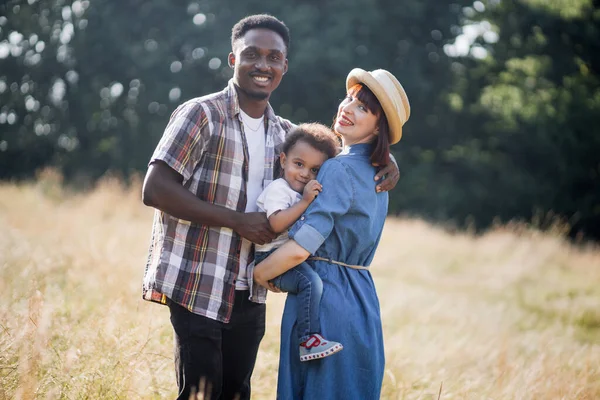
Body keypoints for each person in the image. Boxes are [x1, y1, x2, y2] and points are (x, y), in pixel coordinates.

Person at [140, 14, 400, 400]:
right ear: (233, 60)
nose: (263, 65)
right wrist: (237, 221)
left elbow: (343, 156)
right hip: (199, 280)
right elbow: (155, 189)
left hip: (250, 290)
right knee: (200, 392)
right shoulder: (201, 114)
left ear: (284, 66)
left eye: (273, 57)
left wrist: (387, 160)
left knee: (237, 392)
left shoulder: (287, 136)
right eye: (252, 55)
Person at [253, 67, 411, 399]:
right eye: (349, 98)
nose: (347, 108)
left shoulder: (337, 169)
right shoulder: (379, 174)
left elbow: (301, 248)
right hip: (362, 301)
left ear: (379, 125)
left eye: (362, 108)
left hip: (324, 301)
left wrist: (259, 273)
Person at [255, 123, 343, 362]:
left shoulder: (303, 192)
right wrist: (304, 203)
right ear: (283, 160)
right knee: (311, 283)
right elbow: (276, 224)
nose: (305, 174)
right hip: (271, 257)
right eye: (299, 164)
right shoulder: (279, 189)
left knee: (316, 283)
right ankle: (308, 340)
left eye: (315, 170)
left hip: (286, 257)